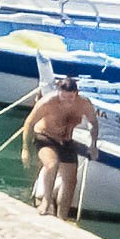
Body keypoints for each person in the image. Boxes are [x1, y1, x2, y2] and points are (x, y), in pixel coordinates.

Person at [32, 69, 103, 223]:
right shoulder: (49, 102)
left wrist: (93, 145)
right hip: (47, 136)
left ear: (76, 94)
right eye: (63, 97)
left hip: (66, 140)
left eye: (70, 97)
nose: (66, 101)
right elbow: (30, 122)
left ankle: (62, 216)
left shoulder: (83, 104)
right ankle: (46, 201)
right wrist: (25, 148)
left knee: (70, 181)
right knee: (52, 164)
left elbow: (93, 124)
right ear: (59, 92)